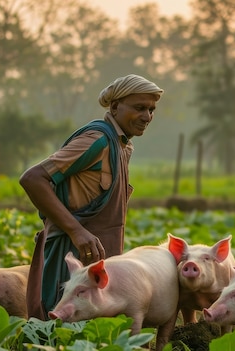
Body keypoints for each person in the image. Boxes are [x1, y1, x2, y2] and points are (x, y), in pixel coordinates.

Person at [19, 74, 164, 319]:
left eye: (151, 110)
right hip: (71, 253)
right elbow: (33, 179)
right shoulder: (96, 140)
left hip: (99, 255)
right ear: (115, 107)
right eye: (139, 108)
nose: (147, 116)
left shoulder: (123, 146)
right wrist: (77, 231)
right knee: (59, 322)